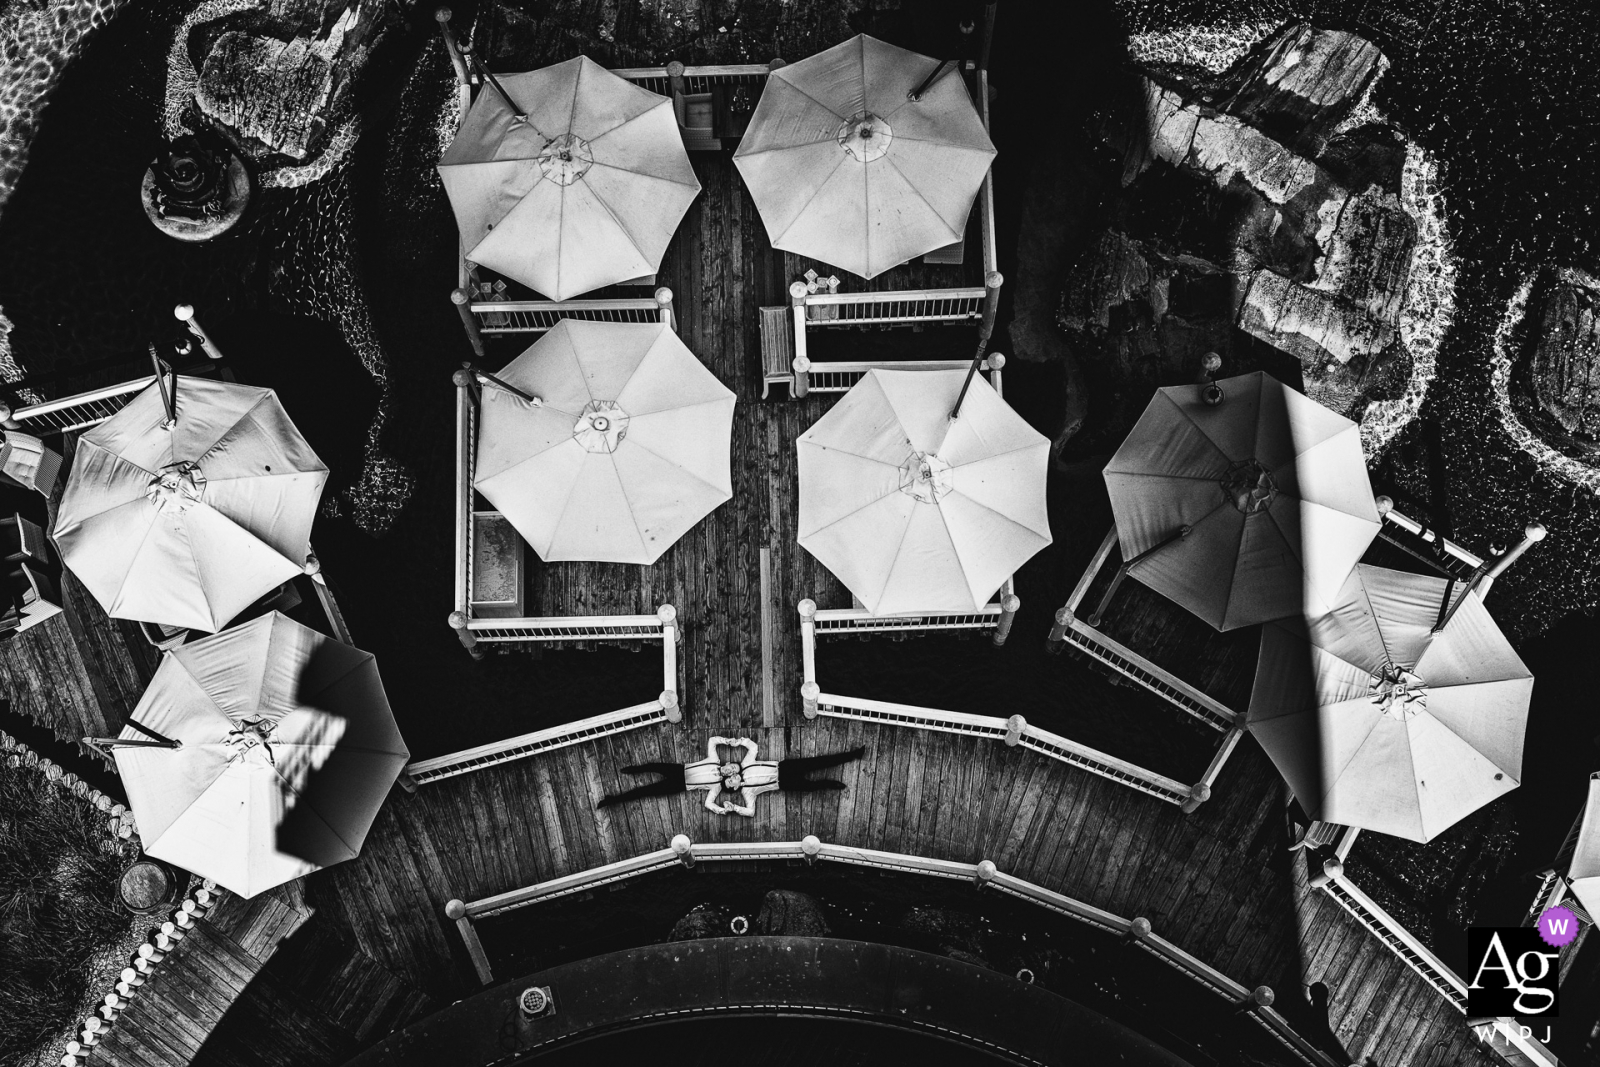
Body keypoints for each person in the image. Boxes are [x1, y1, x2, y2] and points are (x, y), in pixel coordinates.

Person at [597, 738, 866, 816]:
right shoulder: (729, 787)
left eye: (729, 775)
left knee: (820, 762)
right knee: (651, 772)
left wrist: (735, 741)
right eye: (729, 779)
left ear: (733, 769)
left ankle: (851, 755)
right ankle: (625, 783)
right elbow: (714, 804)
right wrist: (732, 808)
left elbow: (750, 747)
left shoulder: (739, 765)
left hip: (785, 767)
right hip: (680, 776)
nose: (729, 777)